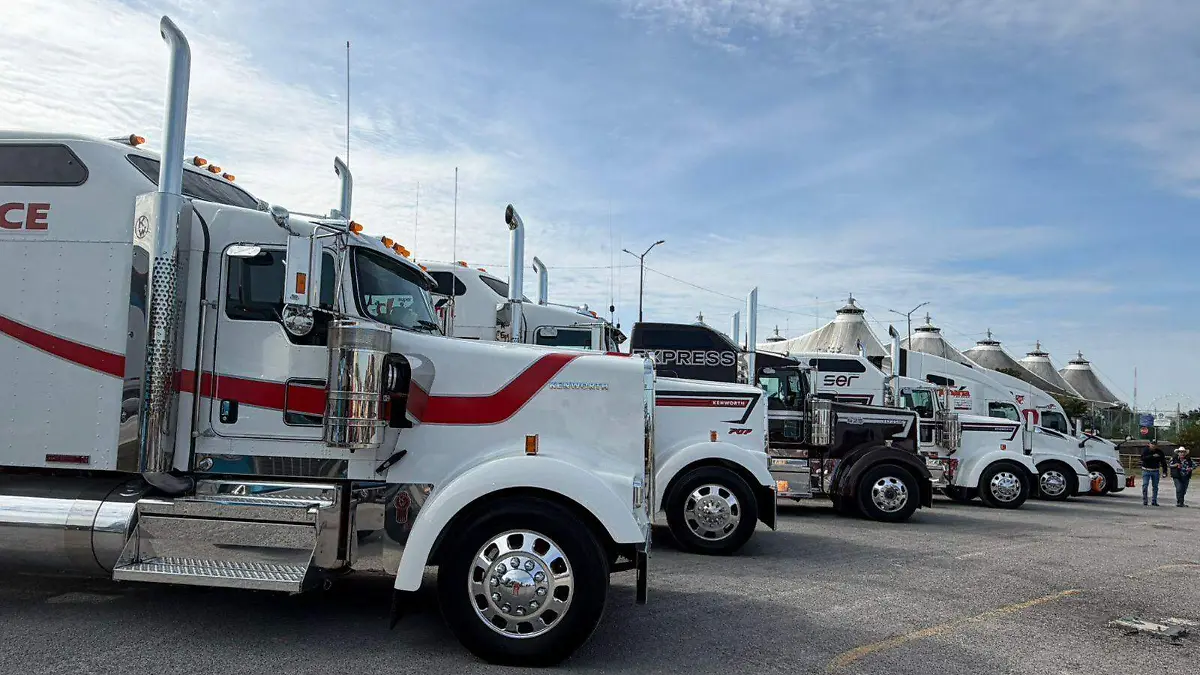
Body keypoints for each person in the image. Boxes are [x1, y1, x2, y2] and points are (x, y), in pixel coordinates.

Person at [1141, 441, 1168, 506]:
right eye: (1152, 444)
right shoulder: (1145, 450)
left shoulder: (1160, 452)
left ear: (1156, 446)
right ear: (1149, 444)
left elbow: (1163, 462)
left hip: (1155, 471)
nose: (1153, 446)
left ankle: (1154, 501)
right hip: (1146, 470)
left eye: (1155, 445)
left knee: (1155, 486)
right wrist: (1152, 456)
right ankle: (1145, 500)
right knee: (1145, 485)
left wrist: (1164, 472)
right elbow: (1143, 458)